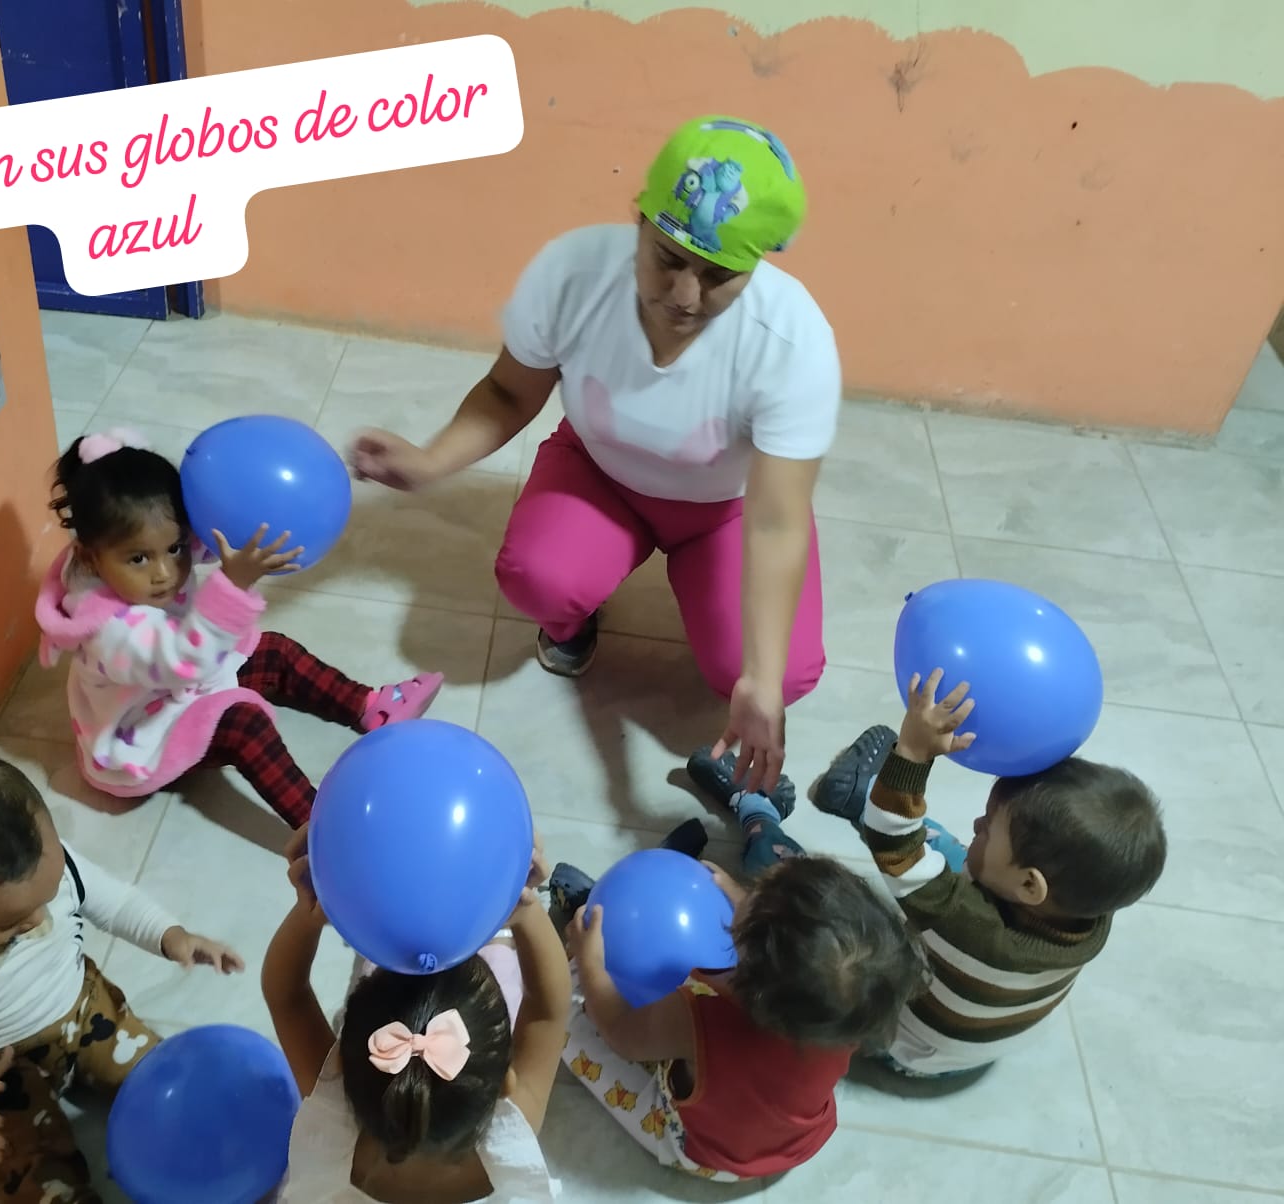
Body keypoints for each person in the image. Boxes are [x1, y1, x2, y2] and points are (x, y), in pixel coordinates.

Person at [351, 115, 842, 793]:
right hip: (601, 473)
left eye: (718, 275)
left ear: (757, 266)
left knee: (780, 672)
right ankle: (574, 619)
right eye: (667, 258)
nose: (685, 296)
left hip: (727, 509)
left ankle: (736, 649)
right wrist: (430, 462)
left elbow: (777, 521)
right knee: (538, 575)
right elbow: (508, 392)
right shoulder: (573, 273)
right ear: (638, 218)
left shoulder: (790, 342)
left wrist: (759, 678)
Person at [0, 750, 244, 1204]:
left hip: (85, 1010)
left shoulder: (53, 865)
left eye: (48, 896)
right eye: (10, 924)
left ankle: (202, 1134)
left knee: (162, 1078)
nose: (40, 920)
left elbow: (116, 902)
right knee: (25, 1161)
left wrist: (170, 936)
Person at [35, 429, 443, 828]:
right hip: (143, 740)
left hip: (179, 688)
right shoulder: (108, 632)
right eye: (138, 559)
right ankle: (320, 828)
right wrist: (231, 586)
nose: (164, 572)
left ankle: (371, 706)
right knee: (244, 723)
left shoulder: (140, 555)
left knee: (274, 649)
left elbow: (201, 541)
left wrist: (238, 518)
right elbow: (182, 662)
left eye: (174, 548)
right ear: (89, 557)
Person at [782, 668, 1168, 1079]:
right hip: (973, 1045)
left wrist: (912, 754)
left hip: (908, 1046)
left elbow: (889, 842)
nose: (976, 825)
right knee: (952, 855)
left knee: (840, 902)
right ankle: (875, 799)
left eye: (988, 829)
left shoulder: (964, 922)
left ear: (1029, 884)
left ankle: (763, 821)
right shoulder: (1090, 907)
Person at [551, 849, 925, 1182]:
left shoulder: (700, 1012)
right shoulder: (843, 1013)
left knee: (567, 1007)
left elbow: (622, 1034)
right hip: (794, 1144)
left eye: (758, 888)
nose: (751, 886)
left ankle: (575, 948)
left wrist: (589, 961)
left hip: (708, 1153)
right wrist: (750, 907)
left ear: (751, 957)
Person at [263, 827, 569, 1202]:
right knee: (501, 960)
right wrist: (527, 910)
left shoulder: (331, 1135)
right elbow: (548, 1010)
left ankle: (394, 944)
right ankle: (495, 939)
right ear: (507, 1083)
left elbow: (286, 996)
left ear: (337, 1066)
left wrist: (308, 913)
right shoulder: (510, 1151)